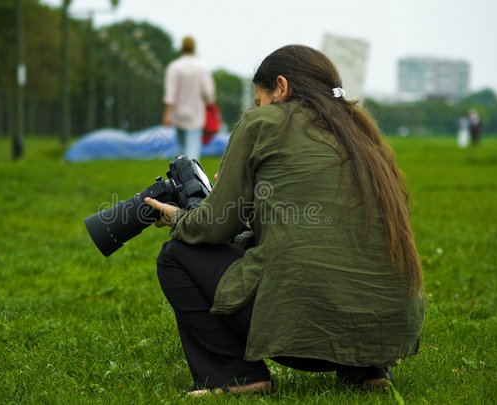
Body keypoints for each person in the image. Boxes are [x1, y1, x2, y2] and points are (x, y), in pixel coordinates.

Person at [146, 45, 424, 396]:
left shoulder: (262, 122)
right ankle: (368, 371)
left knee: (175, 255)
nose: (257, 108)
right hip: (390, 333)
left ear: (281, 87)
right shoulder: (361, 132)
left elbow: (215, 226)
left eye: (260, 100)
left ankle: (234, 375)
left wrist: (179, 219)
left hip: (303, 337)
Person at [163, 36, 216, 160]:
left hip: (178, 113)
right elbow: (209, 93)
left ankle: (178, 176)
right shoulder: (202, 67)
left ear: (181, 47)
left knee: (180, 150)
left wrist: (167, 113)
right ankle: (191, 177)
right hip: (196, 114)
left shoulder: (174, 67)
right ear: (194, 48)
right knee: (192, 151)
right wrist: (209, 103)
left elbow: (170, 93)